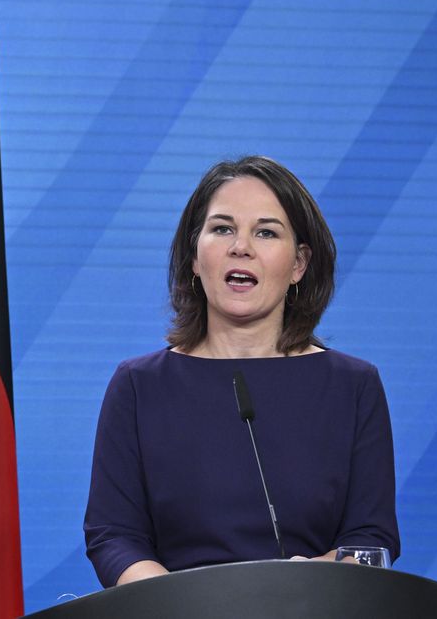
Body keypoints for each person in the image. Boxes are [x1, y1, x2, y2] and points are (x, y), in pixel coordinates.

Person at [83, 155, 400, 588]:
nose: (241, 247)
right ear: (195, 257)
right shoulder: (139, 386)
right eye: (222, 229)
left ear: (299, 265)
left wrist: (303, 590)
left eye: (266, 232)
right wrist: (179, 605)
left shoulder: (353, 386)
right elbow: (114, 535)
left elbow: (371, 539)